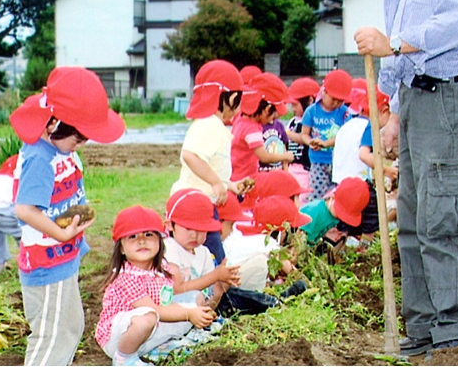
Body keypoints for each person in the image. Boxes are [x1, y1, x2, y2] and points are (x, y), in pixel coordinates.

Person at [338, 0, 458, 354]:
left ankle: (454, 335)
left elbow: (456, 24)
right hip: (417, 104)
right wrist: (395, 118)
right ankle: (422, 331)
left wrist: (395, 42)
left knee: (446, 219)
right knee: (415, 221)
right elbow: (400, 62)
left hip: (451, 98)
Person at [9, 66, 125, 366]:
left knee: (69, 327)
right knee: (54, 334)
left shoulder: (60, 150)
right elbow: (24, 209)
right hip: (48, 263)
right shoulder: (39, 158)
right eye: (79, 137)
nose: (82, 144)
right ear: (55, 124)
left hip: (62, 256)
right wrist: (61, 233)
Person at [96, 205, 216, 366]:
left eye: (148, 234)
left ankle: (158, 346)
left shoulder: (162, 269)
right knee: (148, 317)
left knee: (195, 298)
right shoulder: (126, 276)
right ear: (122, 248)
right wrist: (188, 314)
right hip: (119, 338)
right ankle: (124, 358)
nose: (141, 241)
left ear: (160, 241)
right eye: (132, 237)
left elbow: (166, 303)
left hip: (152, 329)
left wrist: (193, 311)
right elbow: (156, 309)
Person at [163, 189, 303, 318]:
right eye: (188, 228)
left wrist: (222, 285)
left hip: (201, 308)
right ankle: (273, 302)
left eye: (201, 229)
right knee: (232, 299)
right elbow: (178, 289)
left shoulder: (203, 252)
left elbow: (211, 297)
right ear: (170, 225)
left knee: (232, 296)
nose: (194, 235)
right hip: (176, 310)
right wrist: (215, 276)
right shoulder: (170, 249)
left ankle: (272, 302)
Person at [170, 59, 252, 264]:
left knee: (207, 255)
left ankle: (213, 289)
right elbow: (190, 155)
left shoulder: (215, 125)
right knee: (213, 256)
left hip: (203, 203)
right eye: (238, 98)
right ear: (229, 96)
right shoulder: (209, 124)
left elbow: (211, 164)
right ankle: (218, 292)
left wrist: (229, 185)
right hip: (194, 205)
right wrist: (216, 182)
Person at [332, 85, 398, 250]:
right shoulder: (370, 126)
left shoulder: (348, 125)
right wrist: (386, 170)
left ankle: (338, 250)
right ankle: (365, 248)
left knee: (345, 220)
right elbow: (364, 155)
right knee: (371, 217)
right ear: (383, 111)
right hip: (359, 182)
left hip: (340, 181)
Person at [230, 73, 294, 182]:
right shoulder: (251, 129)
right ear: (267, 109)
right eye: (273, 116)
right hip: (244, 181)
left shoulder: (240, 119)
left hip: (236, 178)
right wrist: (285, 156)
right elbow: (264, 156)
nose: (272, 120)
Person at [300, 69, 352, 202]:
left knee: (337, 197)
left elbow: (345, 136)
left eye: (340, 101)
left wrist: (326, 143)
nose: (336, 104)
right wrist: (310, 142)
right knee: (318, 198)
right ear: (324, 92)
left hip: (338, 162)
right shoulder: (312, 111)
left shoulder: (345, 113)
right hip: (318, 161)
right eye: (333, 99)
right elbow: (304, 134)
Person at [298, 177, 370, 254]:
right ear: (332, 197)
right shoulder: (313, 211)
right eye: (340, 212)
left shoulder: (332, 214)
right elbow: (297, 237)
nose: (341, 218)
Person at [285, 77, 321, 204]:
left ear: (310, 100)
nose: (293, 109)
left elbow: (303, 138)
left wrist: (288, 134)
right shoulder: (293, 121)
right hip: (291, 168)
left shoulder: (313, 122)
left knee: (302, 202)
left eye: (295, 104)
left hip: (305, 171)